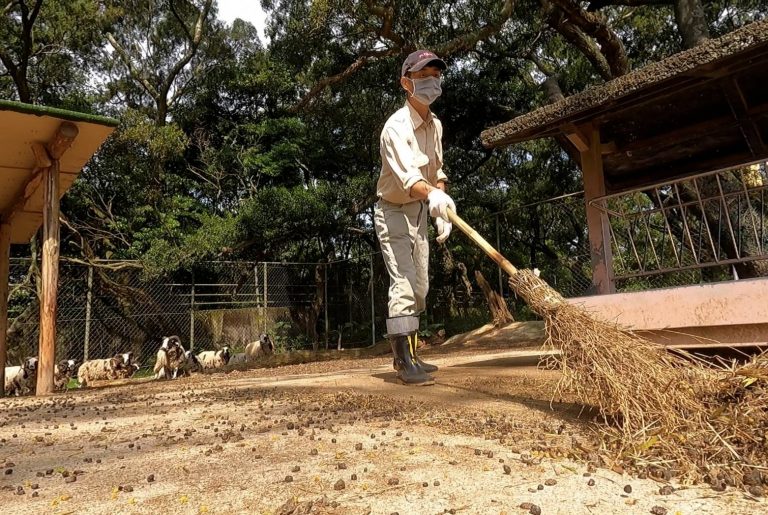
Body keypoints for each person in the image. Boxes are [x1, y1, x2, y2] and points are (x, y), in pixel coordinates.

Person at [374, 50, 456, 386]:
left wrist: (441, 204)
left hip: (420, 211)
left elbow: (437, 171)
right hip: (392, 210)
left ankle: (412, 349)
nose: (430, 82)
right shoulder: (394, 128)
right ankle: (402, 360)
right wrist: (432, 195)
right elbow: (411, 179)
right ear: (405, 82)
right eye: (423, 76)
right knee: (404, 283)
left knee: (420, 287)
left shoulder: (435, 125)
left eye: (435, 75)